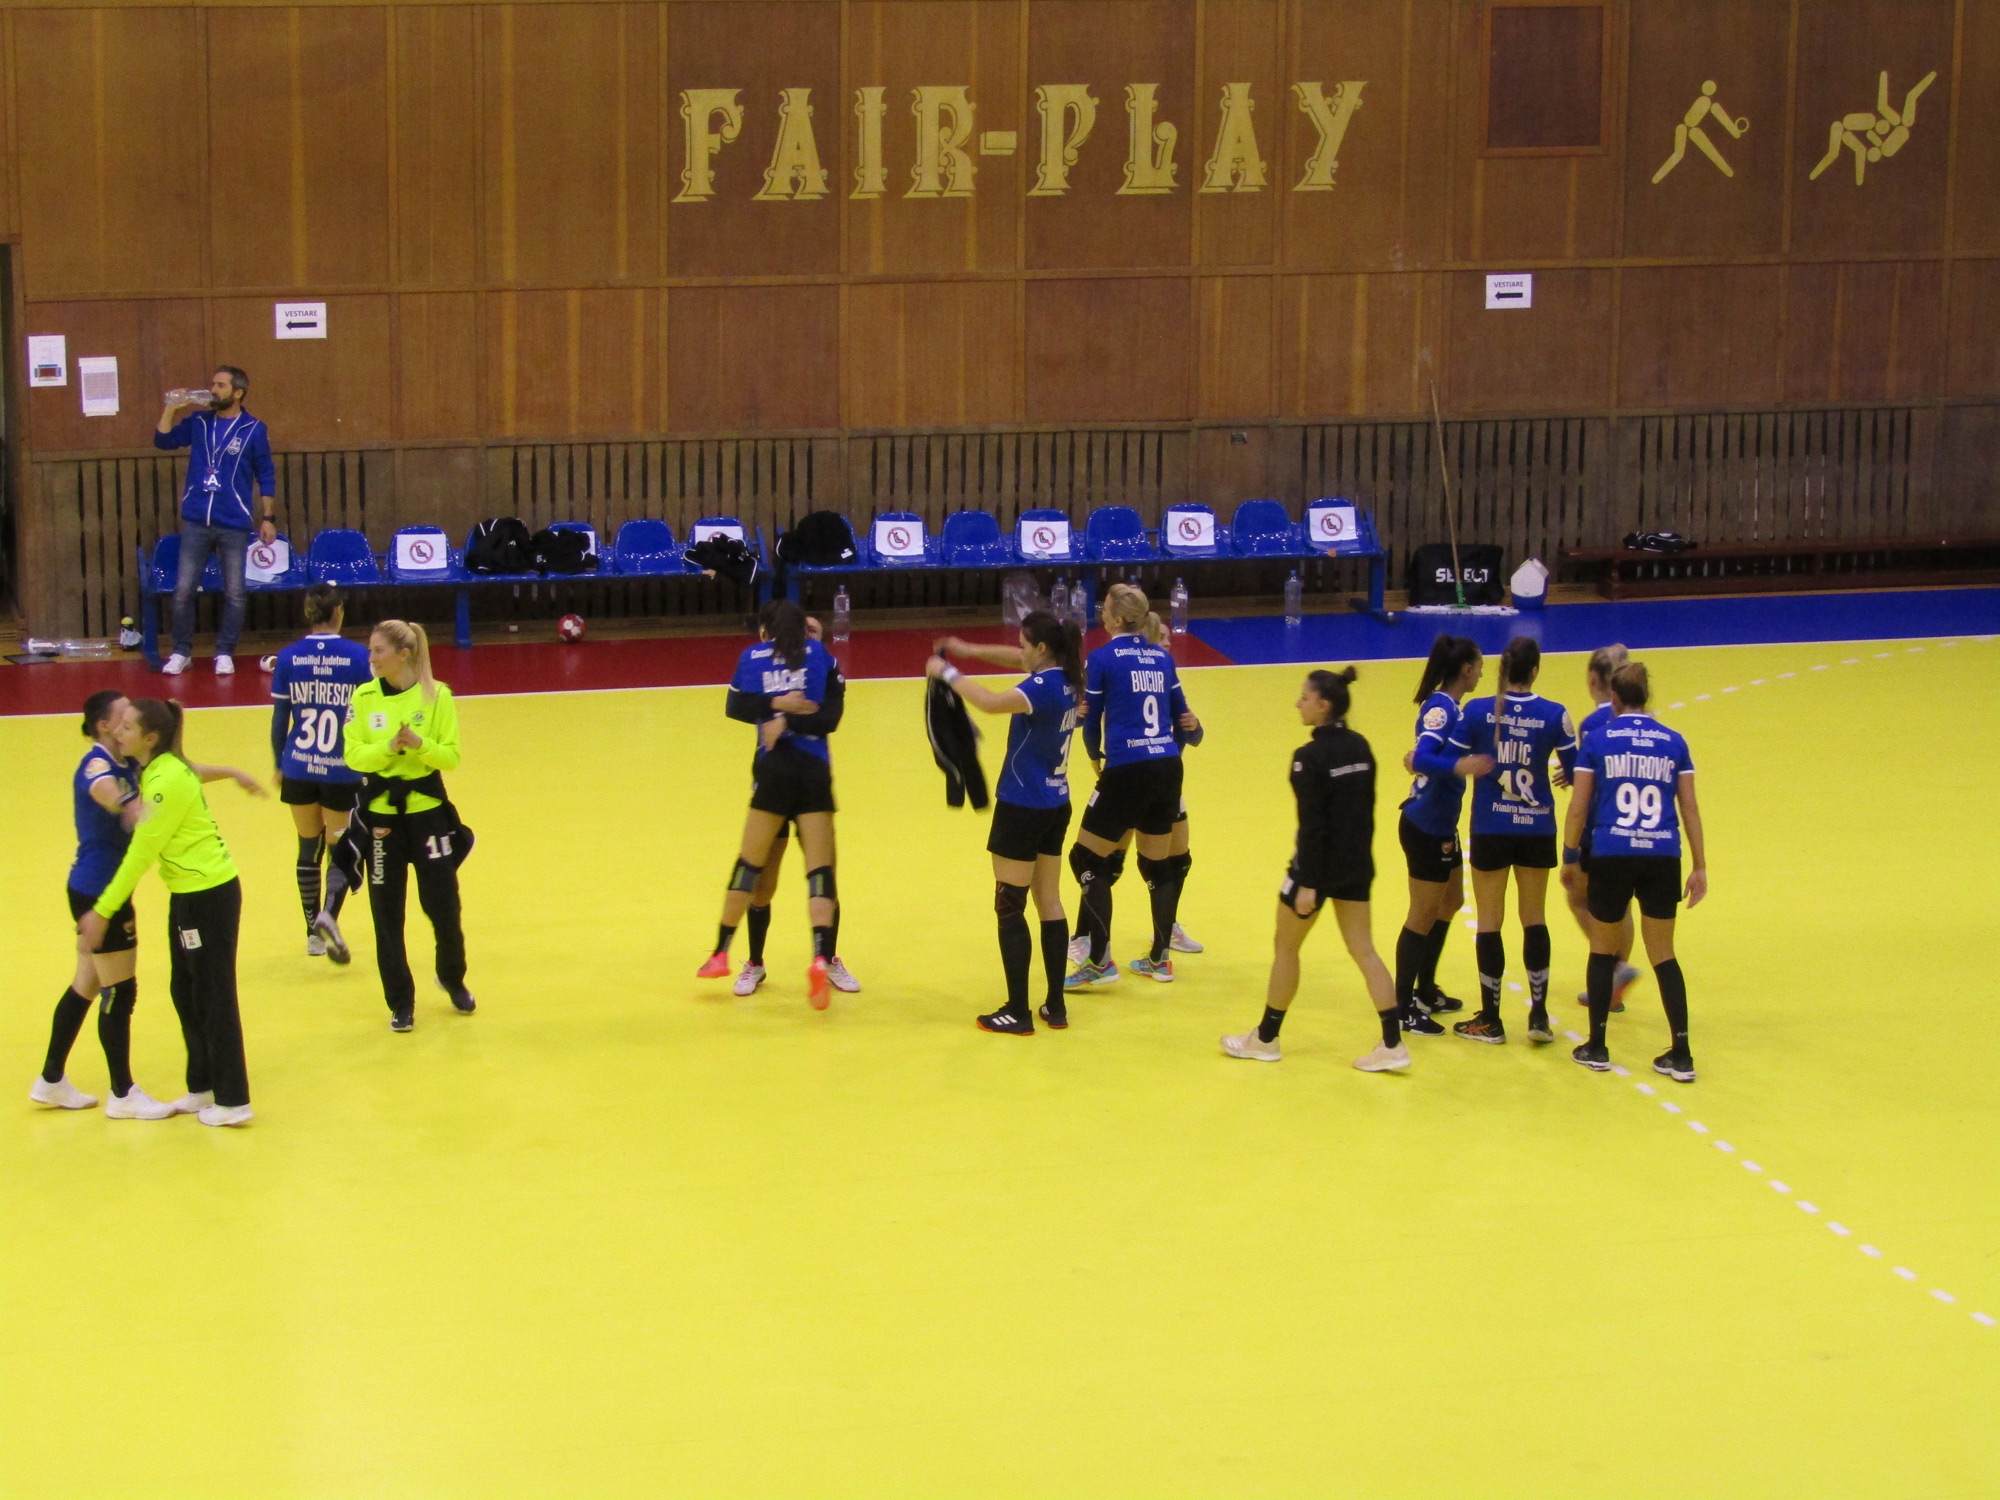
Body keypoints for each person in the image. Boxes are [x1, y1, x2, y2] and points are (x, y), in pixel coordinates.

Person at [77, 699, 259, 1126]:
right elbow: (192, 770)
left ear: (150, 738)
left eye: (126, 728)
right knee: (185, 988)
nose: (118, 732)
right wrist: (233, 772)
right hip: (186, 894)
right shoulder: (158, 768)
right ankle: (203, 1086)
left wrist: (102, 911)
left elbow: (142, 852)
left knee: (214, 993)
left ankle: (234, 1100)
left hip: (208, 895)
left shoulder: (165, 780)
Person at [1221, 668, 1408, 1072]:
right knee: (1364, 950)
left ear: (1323, 706)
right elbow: (1362, 813)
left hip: (1317, 869)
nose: (1298, 703)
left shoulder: (1308, 758)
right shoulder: (1361, 747)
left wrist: (1308, 882)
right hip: (1356, 864)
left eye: (1304, 698)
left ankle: (1266, 1039)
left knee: (1286, 947)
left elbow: (1312, 825)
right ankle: (1393, 1043)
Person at [930, 611, 1085, 1034]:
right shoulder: (1069, 677)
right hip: (1056, 801)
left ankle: (1017, 1010)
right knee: (1049, 900)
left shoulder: (1041, 688)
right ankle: (1056, 1006)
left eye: (1023, 645)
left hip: (1022, 804)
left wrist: (947, 671)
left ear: (1041, 648)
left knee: (1009, 905)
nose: (1018, 652)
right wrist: (969, 649)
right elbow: (1017, 661)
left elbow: (991, 703)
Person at [1561, 663, 1707, 1080]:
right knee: (1664, 954)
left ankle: (1597, 1046)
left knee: (1602, 949)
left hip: (1612, 852)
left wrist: (1570, 855)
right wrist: (1699, 865)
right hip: (1662, 855)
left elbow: (1579, 806)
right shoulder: (1674, 742)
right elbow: (1689, 808)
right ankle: (1682, 1053)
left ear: (1615, 698)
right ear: (1647, 697)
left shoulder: (1599, 739)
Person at [698, 600, 844, 1009]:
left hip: (773, 772)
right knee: (820, 872)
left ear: (765, 631)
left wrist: (777, 712)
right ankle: (819, 957)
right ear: (804, 630)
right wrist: (787, 706)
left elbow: (735, 706)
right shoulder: (820, 656)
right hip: (814, 773)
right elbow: (827, 716)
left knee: (750, 866)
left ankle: (721, 951)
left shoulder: (753, 657)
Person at [1065, 583, 1201, 988]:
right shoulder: (1162, 657)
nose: (1101, 613)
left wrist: (1094, 757)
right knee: (1156, 865)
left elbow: (1092, 720)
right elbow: (1183, 717)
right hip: (1168, 767)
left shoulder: (1102, 658)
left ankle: (1098, 960)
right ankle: (1160, 959)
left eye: (1104, 609)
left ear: (1118, 618)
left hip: (1127, 767)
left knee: (1085, 859)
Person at [343, 620, 475, 1031]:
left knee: (443, 904)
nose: (372, 658)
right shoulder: (363, 697)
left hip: (426, 812)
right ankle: (401, 1001)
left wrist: (420, 745)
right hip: (382, 816)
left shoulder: (438, 696)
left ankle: (452, 977)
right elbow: (353, 755)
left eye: (379, 651)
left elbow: (450, 757)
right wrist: (388, 747)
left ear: (404, 654)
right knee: (386, 912)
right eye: (371, 650)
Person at [1449, 637, 1576, 1045]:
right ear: (1535, 671)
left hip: (1491, 825)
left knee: (1490, 921)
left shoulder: (1477, 710)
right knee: (1534, 917)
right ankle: (1538, 1015)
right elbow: (1578, 770)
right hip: (1537, 827)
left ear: (1501, 670)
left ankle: (1491, 1019)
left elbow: (1450, 759)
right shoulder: (1555, 714)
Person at [732, 616, 860, 999]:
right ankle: (755, 962)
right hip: (773, 783)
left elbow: (829, 718)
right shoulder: (768, 673)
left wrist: (784, 719)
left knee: (825, 873)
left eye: (811, 634)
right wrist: (787, 709)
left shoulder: (824, 671)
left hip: (811, 786)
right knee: (762, 881)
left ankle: (828, 958)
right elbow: (739, 705)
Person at [1394, 636, 1493, 1035]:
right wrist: (1461, 766)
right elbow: (1421, 757)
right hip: (1425, 826)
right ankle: (1402, 1006)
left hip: (1442, 825)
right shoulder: (1440, 708)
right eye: (1479, 665)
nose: (1482, 672)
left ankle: (1425, 989)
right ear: (1466, 669)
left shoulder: (1453, 707)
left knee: (1452, 900)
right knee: (1421, 915)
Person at [270, 583, 372, 963]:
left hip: (299, 764)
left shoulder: (288, 657)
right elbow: (368, 716)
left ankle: (312, 931)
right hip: (342, 768)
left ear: (308, 613)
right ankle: (329, 915)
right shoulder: (359, 657)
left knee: (307, 846)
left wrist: (279, 762)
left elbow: (280, 719)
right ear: (339, 611)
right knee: (339, 847)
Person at [153, 366, 277, 677]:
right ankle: (181, 652)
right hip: (197, 519)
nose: (213, 389)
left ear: (238, 392)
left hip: (233, 521)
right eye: (213, 384)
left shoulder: (253, 429)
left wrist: (268, 518)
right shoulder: (198, 422)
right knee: (183, 590)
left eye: (221, 385)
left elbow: (266, 474)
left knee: (234, 592)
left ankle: (224, 652)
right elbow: (163, 440)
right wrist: (171, 407)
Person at [1558, 645, 1641, 1013]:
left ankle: (1613, 969)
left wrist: (1572, 848)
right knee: (1622, 904)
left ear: (1593, 678)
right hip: (1637, 826)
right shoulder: (1644, 720)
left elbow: (1589, 787)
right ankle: (1614, 987)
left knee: (1580, 898)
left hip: (1601, 828)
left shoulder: (1593, 724)